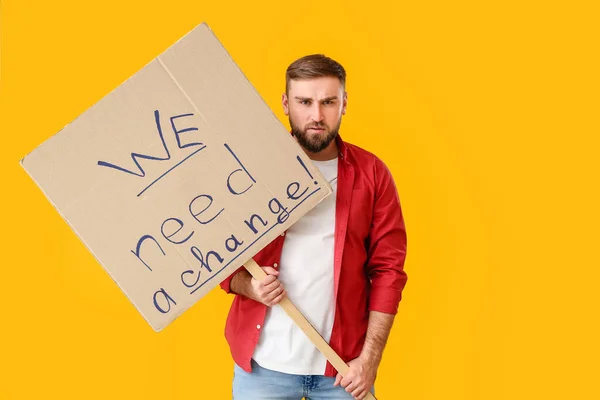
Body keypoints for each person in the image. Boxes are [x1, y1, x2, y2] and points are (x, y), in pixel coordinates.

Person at [220, 54, 408, 400]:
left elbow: (388, 272)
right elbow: (217, 256)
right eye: (304, 102)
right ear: (285, 103)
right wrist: (249, 286)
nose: (316, 116)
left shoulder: (372, 174)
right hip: (262, 367)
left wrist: (369, 360)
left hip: (342, 370)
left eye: (328, 102)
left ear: (344, 104)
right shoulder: (250, 171)